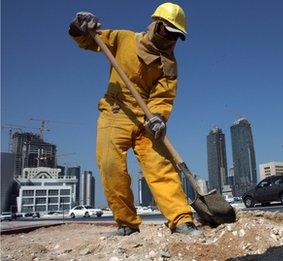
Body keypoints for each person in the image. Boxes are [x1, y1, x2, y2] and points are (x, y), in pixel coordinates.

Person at [69, 2, 200, 236]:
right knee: (110, 165)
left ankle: (181, 219)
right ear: (155, 24)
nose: (169, 39)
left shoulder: (169, 65)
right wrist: (81, 27)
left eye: (175, 36)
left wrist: (158, 117)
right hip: (116, 111)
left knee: (161, 166)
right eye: (166, 31)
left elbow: (164, 96)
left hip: (148, 119)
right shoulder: (124, 39)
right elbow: (91, 40)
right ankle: (127, 223)